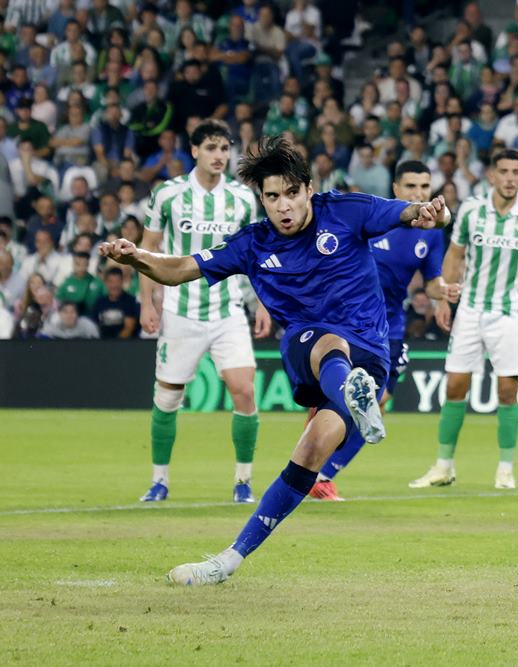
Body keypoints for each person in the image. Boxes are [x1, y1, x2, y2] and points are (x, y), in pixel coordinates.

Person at [98, 135, 451, 585]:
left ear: (307, 189)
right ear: (261, 199)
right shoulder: (253, 244)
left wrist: (423, 213)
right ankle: (227, 561)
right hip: (318, 351)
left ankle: (353, 392)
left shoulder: (344, 210)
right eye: (271, 197)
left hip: (369, 351)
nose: (282, 206)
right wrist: (136, 257)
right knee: (316, 397)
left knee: (320, 400)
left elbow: (402, 211)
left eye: (290, 194)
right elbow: (181, 268)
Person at [410, 149, 518, 492]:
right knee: (454, 385)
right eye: (504, 171)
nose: (510, 178)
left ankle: (505, 469)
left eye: (516, 171)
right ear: (492, 176)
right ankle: (443, 465)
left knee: (508, 390)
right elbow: (455, 255)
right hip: (471, 309)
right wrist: (443, 297)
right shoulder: (471, 210)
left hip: (510, 312)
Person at [309, 161, 460, 501]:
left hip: (389, 328)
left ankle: (323, 475)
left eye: (424, 187)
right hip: (345, 322)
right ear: (395, 190)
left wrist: (443, 291)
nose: (419, 194)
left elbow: (432, 282)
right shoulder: (373, 217)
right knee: (338, 403)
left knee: (374, 406)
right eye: (411, 187)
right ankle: (313, 467)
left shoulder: (431, 232)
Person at [137, 120, 271, 504]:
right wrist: (148, 301)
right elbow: (149, 250)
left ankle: (243, 482)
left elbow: (255, 256)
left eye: (225, 149)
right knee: (167, 398)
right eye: (211, 148)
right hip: (181, 310)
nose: (219, 156)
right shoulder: (168, 194)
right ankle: (159, 481)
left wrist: (260, 302)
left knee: (244, 391)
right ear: (193, 150)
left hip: (228, 308)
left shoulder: (243, 199)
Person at [92, 267, 138, 339]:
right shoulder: (100, 302)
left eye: (117, 281)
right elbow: (94, 326)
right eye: (111, 281)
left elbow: (129, 328)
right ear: (106, 283)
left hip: (124, 344)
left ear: (122, 281)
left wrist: (113, 346)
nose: (114, 285)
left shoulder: (130, 301)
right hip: (101, 343)